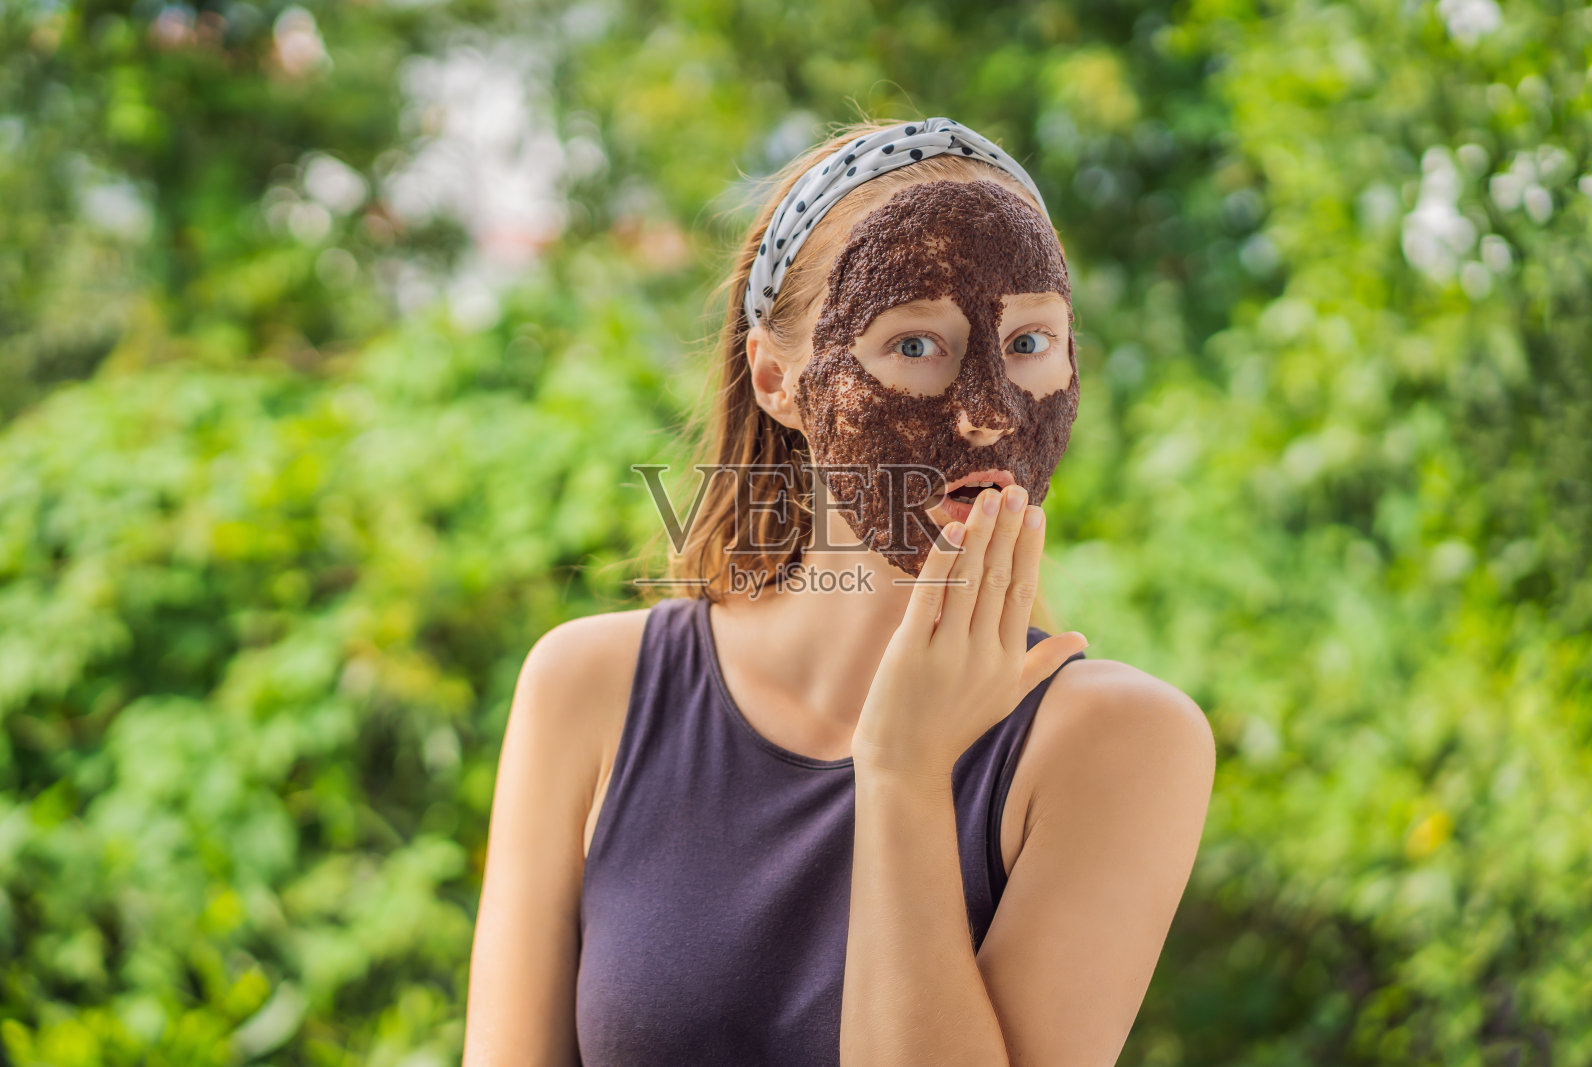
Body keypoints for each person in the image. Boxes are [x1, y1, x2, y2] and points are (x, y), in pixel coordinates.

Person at [463, 117, 1216, 1067]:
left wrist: (903, 773)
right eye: (914, 346)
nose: (989, 410)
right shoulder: (590, 688)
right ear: (780, 380)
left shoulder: (1123, 744)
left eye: (1029, 339)